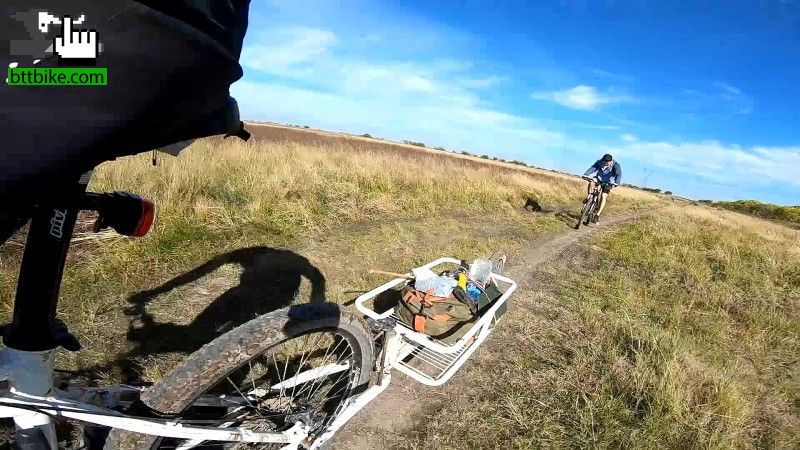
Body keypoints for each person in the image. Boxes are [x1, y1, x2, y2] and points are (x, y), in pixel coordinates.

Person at [582, 153, 622, 223]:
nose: (606, 163)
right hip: (599, 179)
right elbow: (592, 168)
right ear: (603, 160)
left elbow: (619, 174)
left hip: (609, 182)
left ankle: (597, 215)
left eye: (607, 162)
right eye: (604, 162)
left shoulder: (616, 165)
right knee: (591, 182)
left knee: (604, 196)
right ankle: (589, 198)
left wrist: (616, 182)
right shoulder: (599, 162)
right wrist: (585, 174)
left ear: (611, 161)